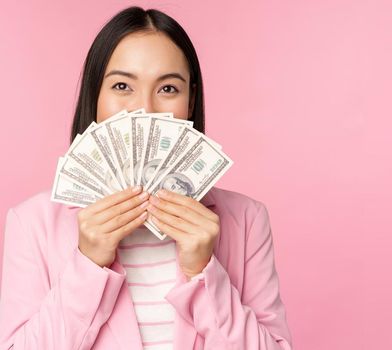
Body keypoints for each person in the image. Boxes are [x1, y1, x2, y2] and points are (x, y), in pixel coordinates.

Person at [0, 6, 293, 350]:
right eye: (122, 85)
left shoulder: (245, 221)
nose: (145, 110)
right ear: (94, 95)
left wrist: (203, 274)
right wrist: (88, 265)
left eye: (168, 89)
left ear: (190, 99)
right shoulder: (31, 224)